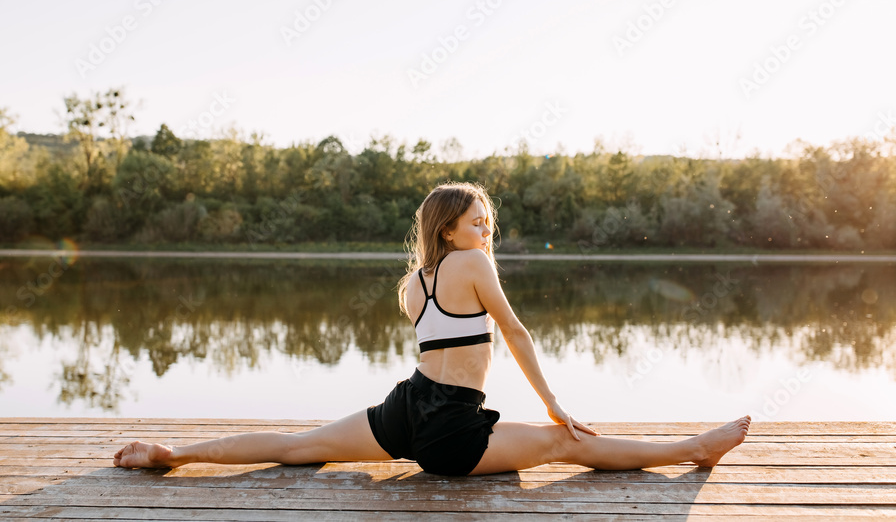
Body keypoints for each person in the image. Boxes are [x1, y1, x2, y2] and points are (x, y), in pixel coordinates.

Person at [113, 181, 750, 475]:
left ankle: (178, 452)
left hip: (405, 410)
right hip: (449, 431)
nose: (485, 231)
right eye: (477, 222)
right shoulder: (473, 264)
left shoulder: (410, 286)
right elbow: (517, 333)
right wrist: (555, 406)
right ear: (448, 229)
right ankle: (693, 449)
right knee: (567, 446)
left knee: (300, 445)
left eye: (488, 223)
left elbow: (446, 349)